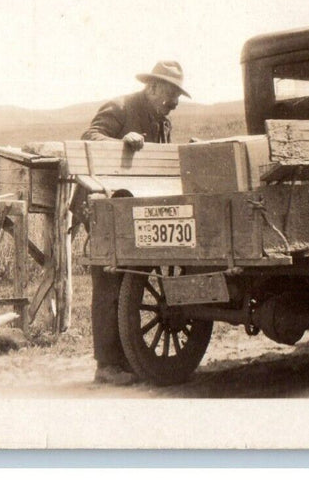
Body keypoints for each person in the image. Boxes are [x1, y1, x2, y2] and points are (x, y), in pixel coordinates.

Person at [79, 60, 190, 385]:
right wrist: (121, 142)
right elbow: (89, 136)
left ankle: (126, 357)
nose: (175, 102)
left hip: (133, 204)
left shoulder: (163, 122)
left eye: (178, 96)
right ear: (152, 87)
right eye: (171, 94)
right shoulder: (121, 107)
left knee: (131, 278)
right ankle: (106, 365)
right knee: (110, 276)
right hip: (102, 203)